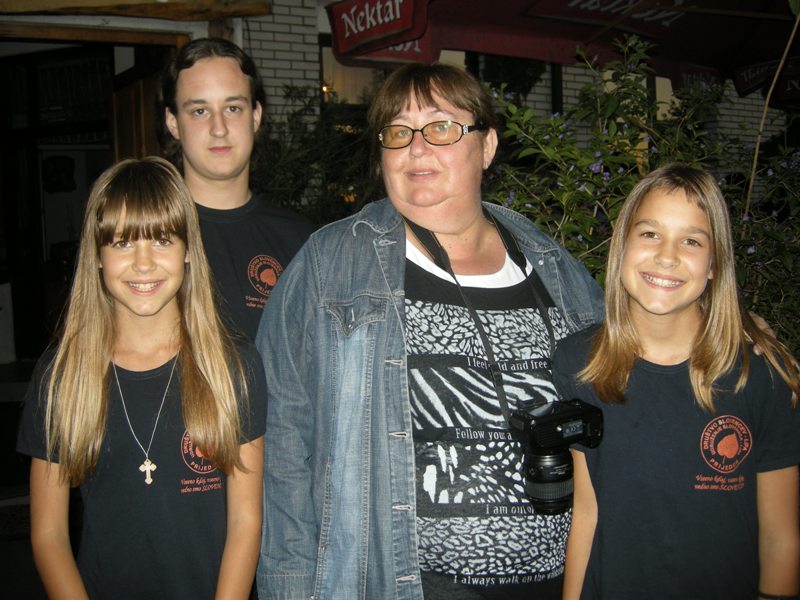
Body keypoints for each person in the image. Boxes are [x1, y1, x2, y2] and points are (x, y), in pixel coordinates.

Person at [256, 62, 604, 600]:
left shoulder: (553, 266)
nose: (416, 148)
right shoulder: (332, 265)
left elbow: (624, 395)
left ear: (487, 147)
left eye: (441, 127)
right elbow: (282, 442)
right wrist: (290, 588)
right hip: (397, 584)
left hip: (559, 583)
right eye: (398, 132)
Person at [17, 157, 267, 599]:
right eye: (122, 243)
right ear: (97, 255)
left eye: (162, 240)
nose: (144, 263)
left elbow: (245, 522)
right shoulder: (62, 376)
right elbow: (49, 535)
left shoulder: (234, 367)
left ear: (188, 250)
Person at [552, 164, 800, 600]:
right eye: (650, 233)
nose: (667, 256)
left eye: (691, 241)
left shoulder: (761, 374)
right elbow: (588, 512)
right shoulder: (580, 364)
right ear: (622, 246)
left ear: (714, 264)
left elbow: (780, 537)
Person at [158, 37, 314, 341]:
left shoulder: (301, 240)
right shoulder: (144, 233)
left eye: (232, 108)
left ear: (256, 116)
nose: (219, 128)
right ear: (173, 123)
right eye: (200, 111)